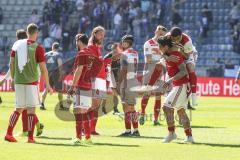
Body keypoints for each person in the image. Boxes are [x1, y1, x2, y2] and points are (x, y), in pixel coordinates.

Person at [5, 23, 53, 143]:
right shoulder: (38, 48)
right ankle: (30, 138)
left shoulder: (16, 46)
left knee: (18, 109)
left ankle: (9, 133)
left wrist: (13, 79)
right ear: (36, 33)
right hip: (31, 82)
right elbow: (43, 69)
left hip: (19, 81)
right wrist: (47, 85)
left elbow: (11, 64)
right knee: (31, 110)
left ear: (27, 33)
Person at [158, 36, 194, 143]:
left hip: (181, 85)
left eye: (160, 46)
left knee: (166, 107)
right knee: (181, 111)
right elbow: (162, 55)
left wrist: (170, 80)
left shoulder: (176, 55)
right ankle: (189, 137)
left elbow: (183, 72)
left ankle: (171, 133)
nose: (158, 48)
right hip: (180, 85)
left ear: (165, 46)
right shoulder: (169, 54)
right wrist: (165, 56)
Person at [68, 33, 103, 145]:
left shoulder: (82, 53)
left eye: (76, 41)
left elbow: (79, 70)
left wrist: (73, 86)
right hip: (88, 86)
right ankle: (87, 138)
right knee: (83, 112)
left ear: (78, 41)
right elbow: (97, 68)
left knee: (78, 112)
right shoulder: (92, 54)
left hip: (81, 85)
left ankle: (78, 138)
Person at [139, 25, 167, 126]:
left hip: (160, 72)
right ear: (156, 31)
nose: (161, 35)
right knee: (147, 93)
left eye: (162, 34)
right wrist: (161, 60)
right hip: (150, 70)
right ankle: (142, 112)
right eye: (159, 32)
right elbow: (148, 59)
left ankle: (155, 119)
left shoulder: (164, 45)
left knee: (158, 95)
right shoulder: (148, 43)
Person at [170, 27, 198, 108]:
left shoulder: (187, 41)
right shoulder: (168, 37)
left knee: (190, 68)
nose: (176, 41)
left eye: (178, 39)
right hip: (176, 56)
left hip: (187, 54)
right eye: (174, 39)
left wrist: (179, 49)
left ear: (181, 36)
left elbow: (186, 56)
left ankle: (194, 95)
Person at [118, 35, 140, 137]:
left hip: (127, 82)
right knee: (131, 107)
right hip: (134, 80)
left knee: (126, 107)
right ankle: (135, 130)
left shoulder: (124, 54)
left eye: (123, 42)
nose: (122, 44)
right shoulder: (135, 53)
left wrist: (120, 82)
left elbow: (124, 69)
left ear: (126, 43)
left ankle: (128, 131)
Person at [88, 26, 106, 135]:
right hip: (96, 79)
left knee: (97, 106)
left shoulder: (96, 46)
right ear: (94, 34)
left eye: (103, 35)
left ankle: (92, 129)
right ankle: (84, 126)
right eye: (100, 34)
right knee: (94, 105)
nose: (102, 37)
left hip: (101, 78)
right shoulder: (91, 46)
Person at [41, 42, 64, 110]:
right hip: (56, 73)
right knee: (59, 90)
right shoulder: (58, 54)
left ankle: (41, 104)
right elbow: (60, 64)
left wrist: (42, 73)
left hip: (47, 73)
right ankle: (61, 105)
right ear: (58, 48)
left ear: (52, 47)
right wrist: (61, 74)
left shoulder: (46, 54)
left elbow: (42, 64)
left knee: (46, 89)